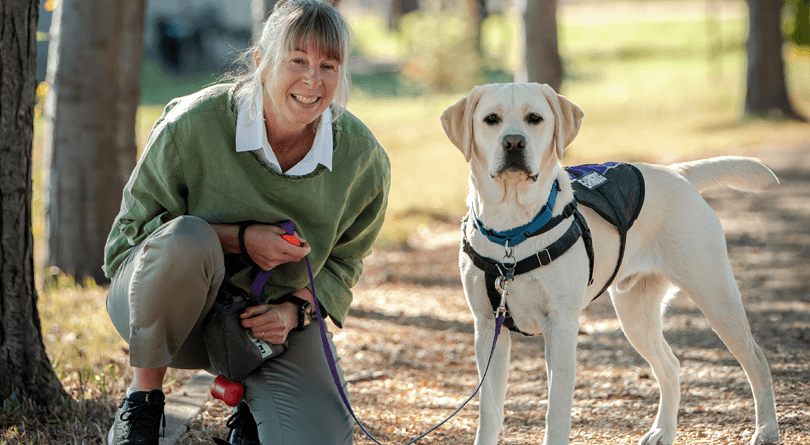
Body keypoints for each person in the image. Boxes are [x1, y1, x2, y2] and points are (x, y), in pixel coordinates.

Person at [103, 1, 390, 444]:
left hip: (263, 330)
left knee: (320, 437)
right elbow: (129, 237)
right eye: (297, 60)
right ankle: (141, 405)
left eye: (328, 65)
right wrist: (238, 240)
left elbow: (343, 263)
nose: (313, 80)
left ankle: (252, 414)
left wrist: (292, 312)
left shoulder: (363, 160)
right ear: (261, 62)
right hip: (163, 312)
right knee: (186, 238)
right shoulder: (191, 125)